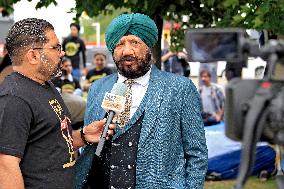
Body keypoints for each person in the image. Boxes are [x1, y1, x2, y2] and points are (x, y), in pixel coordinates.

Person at [76, 13, 208, 189]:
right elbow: (90, 150)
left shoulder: (180, 88)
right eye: (120, 44)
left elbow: (197, 154)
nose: (127, 51)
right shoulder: (97, 88)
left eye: (135, 42)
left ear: (149, 46)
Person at [0, 18, 115, 189]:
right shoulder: (14, 98)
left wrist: (83, 136)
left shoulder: (45, 85)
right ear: (33, 55)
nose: (62, 53)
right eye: (55, 47)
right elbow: (6, 165)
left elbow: (49, 143)